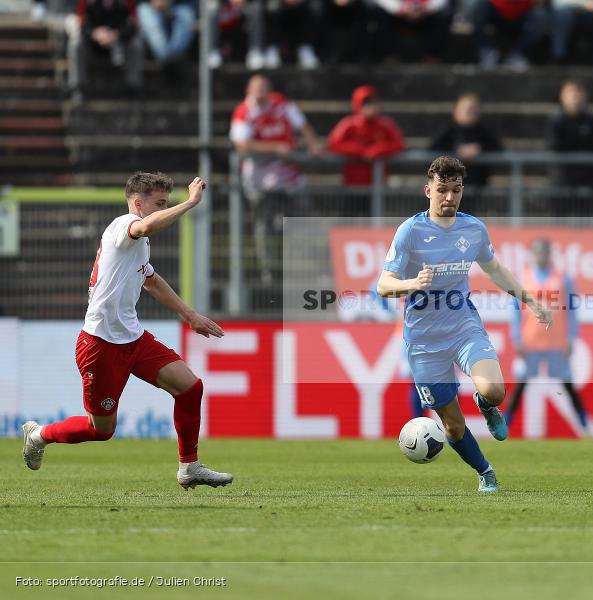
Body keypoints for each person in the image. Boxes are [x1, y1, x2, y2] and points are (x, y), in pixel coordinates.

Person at [21, 173, 233, 489]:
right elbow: (145, 225)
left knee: (190, 388)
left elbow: (151, 280)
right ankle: (39, 435)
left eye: (167, 202)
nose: (164, 208)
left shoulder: (139, 244)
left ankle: (189, 467)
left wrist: (190, 315)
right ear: (138, 203)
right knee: (101, 430)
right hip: (100, 343)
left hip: (133, 338)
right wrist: (190, 203)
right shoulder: (124, 225)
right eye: (159, 203)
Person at [376, 156, 552, 492]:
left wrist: (529, 299)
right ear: (428, 190)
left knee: (494, 390)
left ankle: (485, 405)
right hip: (424, 341)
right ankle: (485, 472)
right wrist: (412, 283)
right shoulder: (410, 231)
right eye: (442, 190)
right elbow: (384, 285)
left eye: (456, 190)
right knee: (453, 428)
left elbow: (495, 269)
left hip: (462, 326)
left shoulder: (473, 229)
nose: (449, 197)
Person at [230, 74, 320, 284]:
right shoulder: (243, 112)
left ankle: (303, 269)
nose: (260, 91)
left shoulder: (282, 104)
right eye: (256, 88)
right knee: (264, 225)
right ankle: (268, 272)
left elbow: (303, 126)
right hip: (258, 179)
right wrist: (276, 148)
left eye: (264, 87)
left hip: (288, 176)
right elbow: (242, 145)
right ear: (248, 91)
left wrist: (312, 144)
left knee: (301, 220)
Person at [505, 239, 587, 433]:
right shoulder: (523, 278)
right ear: (533, 254)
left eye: (544, 251)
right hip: (530, 341)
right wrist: (517, 339)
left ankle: (585, 426)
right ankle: (504, 426)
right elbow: (515, 311)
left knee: (567, 384)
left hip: (556, 341)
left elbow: (572, 310)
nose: (541, 255)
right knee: (521, 384)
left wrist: (571, 337)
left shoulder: (563, 278)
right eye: (537, 252)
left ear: (549, 253)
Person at [327, 85, 406, 187]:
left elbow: (399, 144)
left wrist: (376, 150)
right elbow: (333, 144)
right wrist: (360, 151)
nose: (370, 107)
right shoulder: (349, 124)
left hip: (377, 185)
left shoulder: (386, 125)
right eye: (366, 103)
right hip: (353, 184)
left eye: (373, 103)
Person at [68, 0, 144, 101]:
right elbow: (81, 24)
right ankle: (77, 87)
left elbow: (133, 25)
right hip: (93, 45)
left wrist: (116, 35)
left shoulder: (127, 2)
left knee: (136, 45)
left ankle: (133, 87)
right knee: (76, 44)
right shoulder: (87, 2)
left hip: (119, 45)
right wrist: (95, 34)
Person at [429, 92, 503, 188]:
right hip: (450, 189)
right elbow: (432, 149)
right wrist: (456, 151)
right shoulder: (448, 130)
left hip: (478, 187)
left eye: (473, 109)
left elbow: (498, 149)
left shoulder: (484, 131)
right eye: (465, 109)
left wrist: (479, 149)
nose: (469, 112)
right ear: (456, 111)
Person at [546, 80, 593, 192]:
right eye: (571, 94)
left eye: (579, 94)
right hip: (561, 182)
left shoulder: (590, 121)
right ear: (562, 96)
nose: (575, 98)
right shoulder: (556, 121)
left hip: (586, 182)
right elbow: (555, 147)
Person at [472, 0, 547, 70]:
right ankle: (487, 53)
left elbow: (539, 3)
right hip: (497, 11)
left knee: (540, 15)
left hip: (523, 14)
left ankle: (518, 56)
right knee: (480, 5)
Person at [371, 0, 452, 62]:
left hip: (427, 14)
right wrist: (400, 9)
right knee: (380, 14)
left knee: (444, 14)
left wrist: (425, 8)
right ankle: (390, 57)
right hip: (396, 14)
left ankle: (431, 57)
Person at [136, 0, 197, 66]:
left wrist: (168, 2)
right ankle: (167, 59)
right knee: (145, 12)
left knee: (186, 14)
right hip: (150, 7)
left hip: (177, 6)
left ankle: (174, 58)